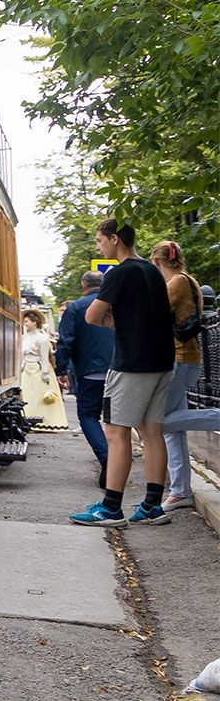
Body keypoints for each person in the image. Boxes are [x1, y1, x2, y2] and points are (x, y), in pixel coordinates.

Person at [70, 219, 174, 528]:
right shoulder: (151, 270)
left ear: (115, 239)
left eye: (100, 241)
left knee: (115, 432)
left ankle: (110, 507)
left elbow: (91, 315)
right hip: (161, 359)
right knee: (152, 432)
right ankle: (152, 506)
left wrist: (110, 321)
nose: (99, 246)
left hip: (131, 363)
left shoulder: (120, 272)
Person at [150, 241, 220, 511]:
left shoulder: (176, 282)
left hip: (179, 359)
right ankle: (180, 491)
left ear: (157, 262)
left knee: (158, 423)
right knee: (172, 429)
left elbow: (155, 312)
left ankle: (216, 417)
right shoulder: (188, 279)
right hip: (187, 359)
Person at [57, 270, 116, 485]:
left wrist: (61, 370)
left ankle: (107, 457)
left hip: (89, 372)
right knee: (116, 419)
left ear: (84, 285)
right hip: (119, 370)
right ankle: (117, 462)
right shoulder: (115, 304)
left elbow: (66, 340)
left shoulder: (76, 307)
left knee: (88, 416)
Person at [18, 308, 69, 431]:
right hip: (26, 369)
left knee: (40, 395)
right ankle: (28, 418)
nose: (25, 324)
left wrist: (45, 372)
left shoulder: (42, 338)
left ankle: (45, 421)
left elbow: (44, 357)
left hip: (38, 368)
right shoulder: (25, 337)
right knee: (27, 395)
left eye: (27, 322)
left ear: (34, 322)